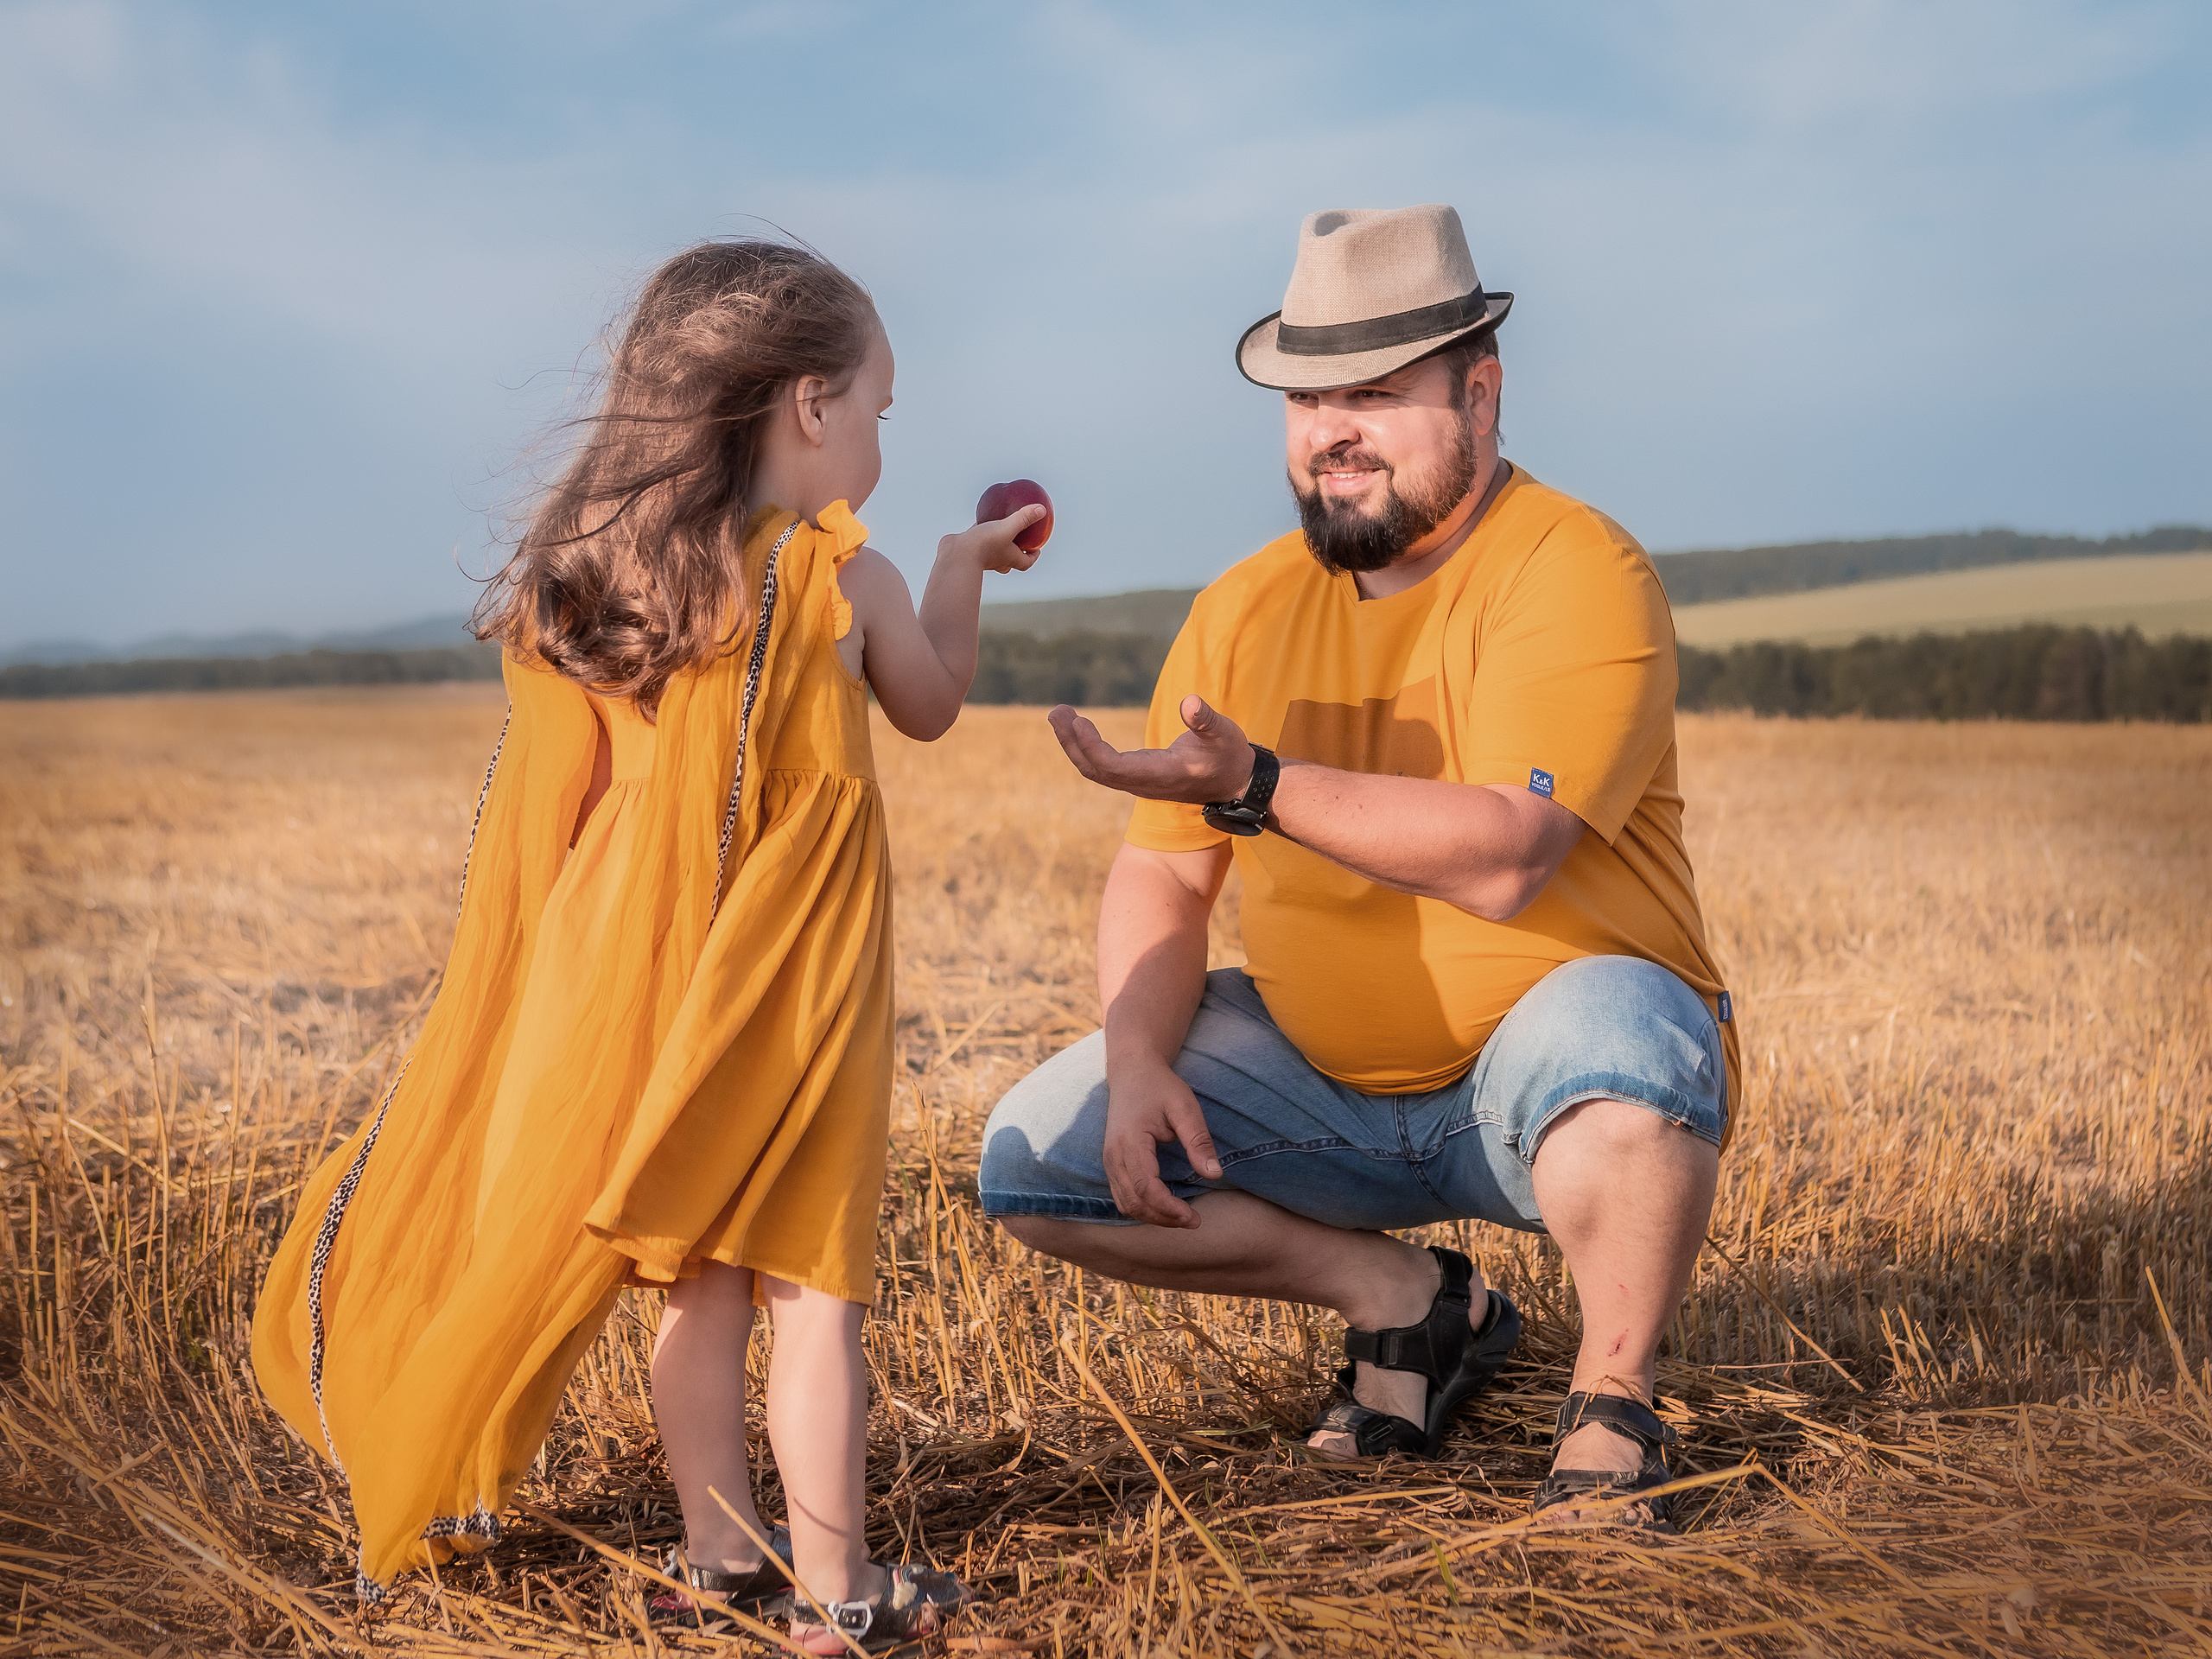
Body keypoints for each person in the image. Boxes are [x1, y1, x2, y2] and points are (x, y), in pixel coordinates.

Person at [252, 239, 1041, 1651]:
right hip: (787, 974)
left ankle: (717, 1551)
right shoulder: (826, 574)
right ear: (807, 404)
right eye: (878, 405)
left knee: (696, 1277)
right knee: (810, 1283)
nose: (878, 435)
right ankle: (842, 1590)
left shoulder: (617, 582)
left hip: (636, 975)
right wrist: (957, 566)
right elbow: (932, 704)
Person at [979, 205, 1741, 1530]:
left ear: (1481, 394)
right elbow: (1164, 872)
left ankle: (1614, 1398)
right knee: (1037, 1162)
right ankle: (1407, 1303)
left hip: (1540, 1076)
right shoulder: (1242, 606)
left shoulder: (1577, 569)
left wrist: (1260, 787)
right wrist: (1142, 1061)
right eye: (1305, 398)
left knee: (1626, 1044)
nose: (1332, 429)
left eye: (1376, 395)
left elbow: (1510, 856)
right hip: (1324, 1089)